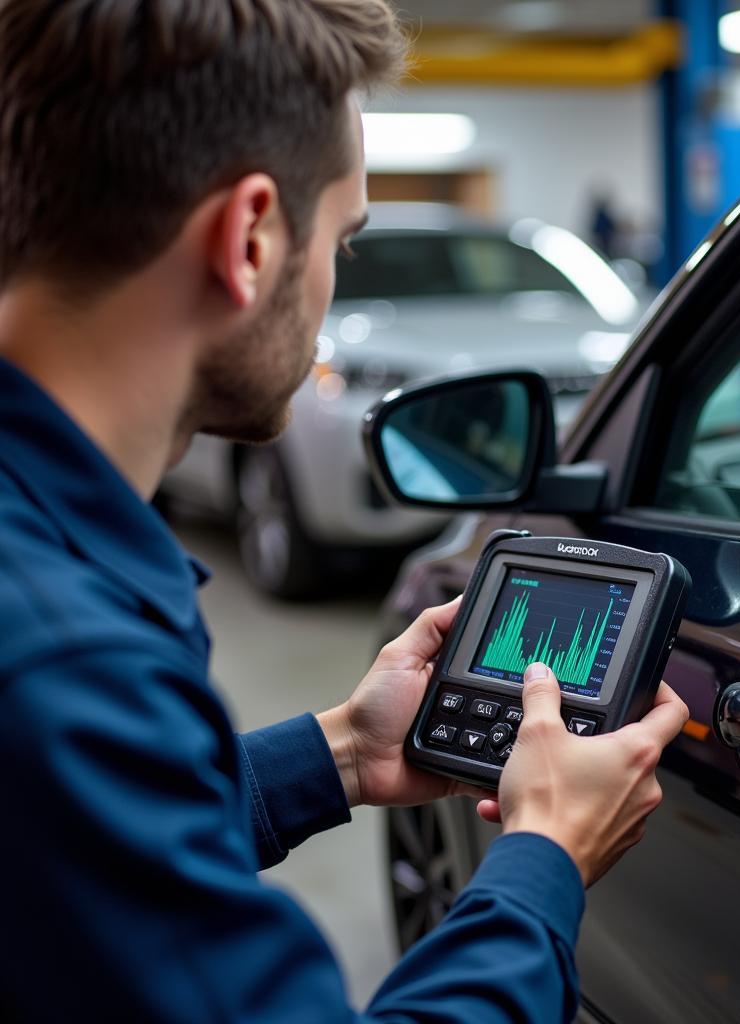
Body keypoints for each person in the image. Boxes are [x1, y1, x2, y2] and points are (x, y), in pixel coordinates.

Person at [0, 1, 689, 1021]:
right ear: (248, 239)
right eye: (343, 240)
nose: (331, 280)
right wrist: (544, 859)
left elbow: (68, 856)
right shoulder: (66, 661)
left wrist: (339, 755)